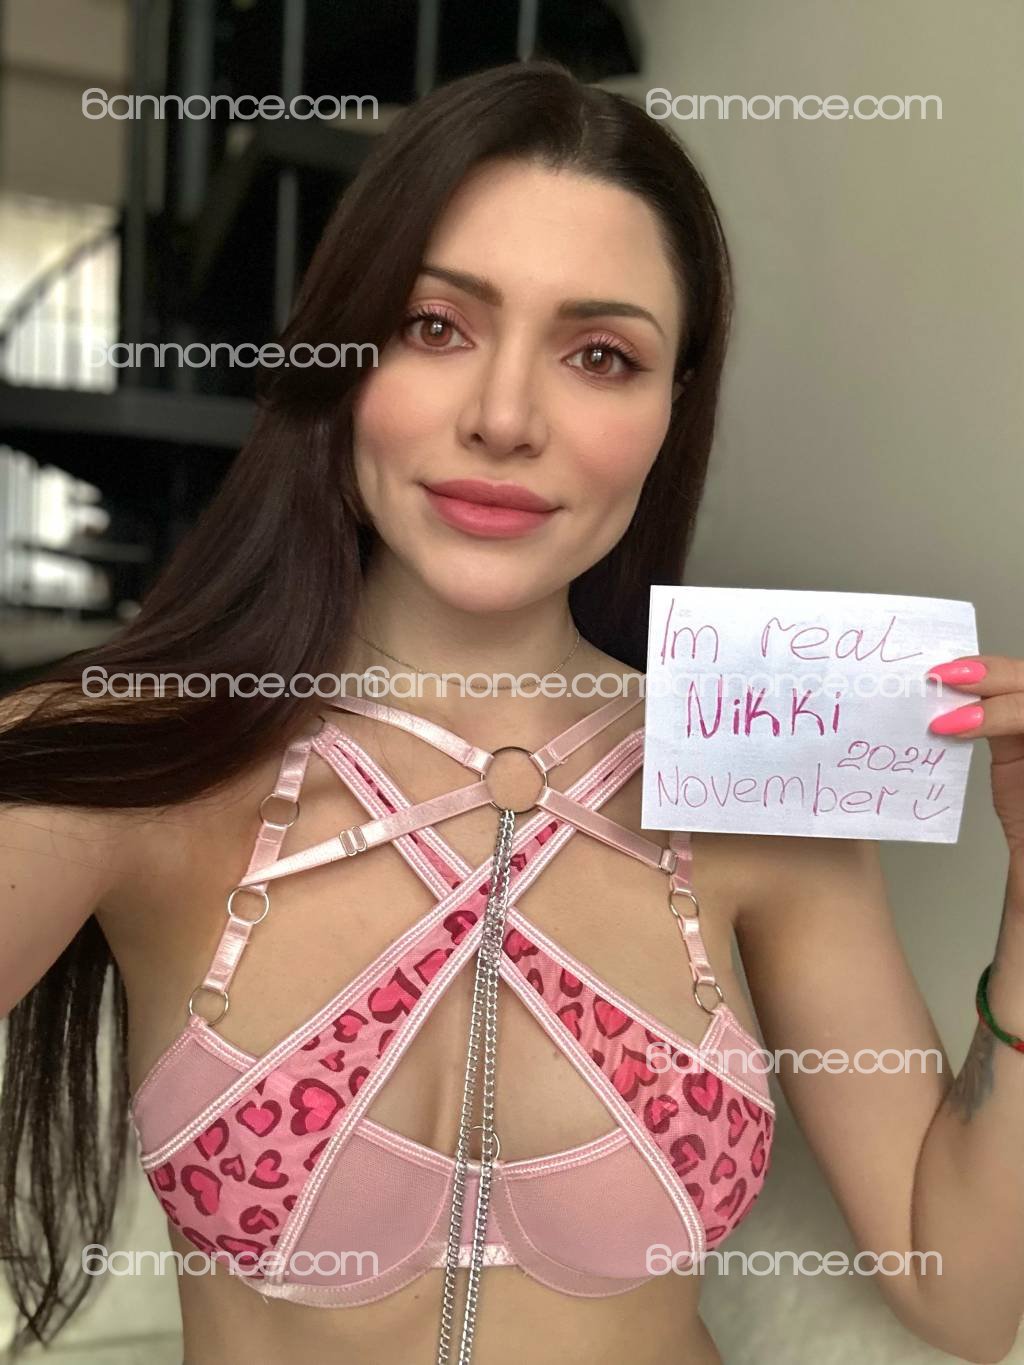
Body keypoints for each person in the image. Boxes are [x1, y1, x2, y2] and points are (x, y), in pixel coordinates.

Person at [2, 58, 1024, 1365]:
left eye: (601, 355)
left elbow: (964, 1294)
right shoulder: (129, 756)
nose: (503, 418)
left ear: (671, 407)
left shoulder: (763, 765)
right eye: (436, 326)